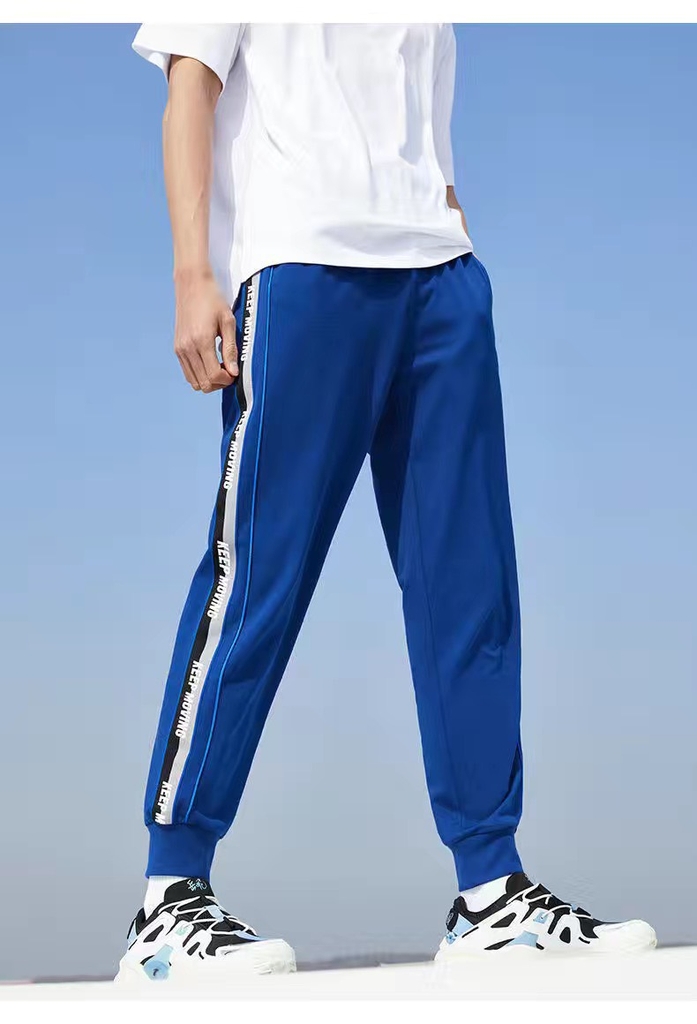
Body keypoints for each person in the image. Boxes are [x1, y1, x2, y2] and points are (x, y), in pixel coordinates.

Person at [115, 23, 656, 986]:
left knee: (468, 587)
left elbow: (423, 117)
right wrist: (193, 274)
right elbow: (190, 87)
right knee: (257, 578)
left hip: (440, 277)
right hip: (301, 267)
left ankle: (490, 893)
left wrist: (451, 223)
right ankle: (169, 896)